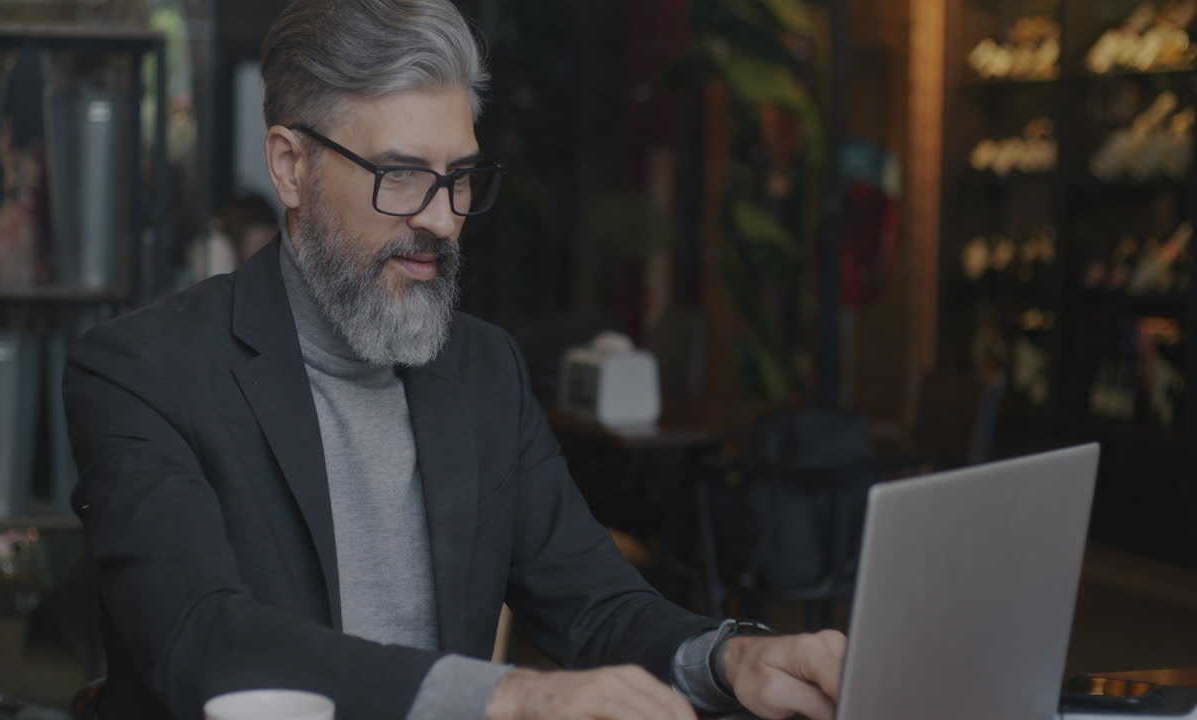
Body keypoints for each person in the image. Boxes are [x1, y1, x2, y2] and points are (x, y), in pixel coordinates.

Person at [62, 1, 845, 718]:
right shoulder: (143, 372)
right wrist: (507, 694)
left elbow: (596, 605)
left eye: (460, 177)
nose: (442, 218)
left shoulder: (483, 372)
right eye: (401, 175)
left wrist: (730, 657)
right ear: (290, 167)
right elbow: (203, 642)